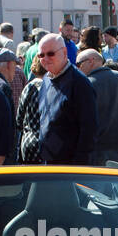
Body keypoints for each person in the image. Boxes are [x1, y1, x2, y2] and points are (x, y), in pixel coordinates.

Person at [36, 32, 97, 164]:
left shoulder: (80, 83)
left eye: (50, 53)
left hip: (70, 167)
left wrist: (78, 167)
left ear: (64, 52)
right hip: (48, 162)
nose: (45, 58)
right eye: (41, 55)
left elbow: (89, 130)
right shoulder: (46, 79)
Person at [76, 47, 118, 168]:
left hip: (98, 148)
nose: (77, 68)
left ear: (91, 61)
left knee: (99, 185)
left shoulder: (86, 84)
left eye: (78, 64)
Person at [16, 57, 46, 163]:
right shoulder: (53, 88)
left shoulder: (29, 87)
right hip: (47, 143)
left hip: (29, 141)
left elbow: (19, 119)